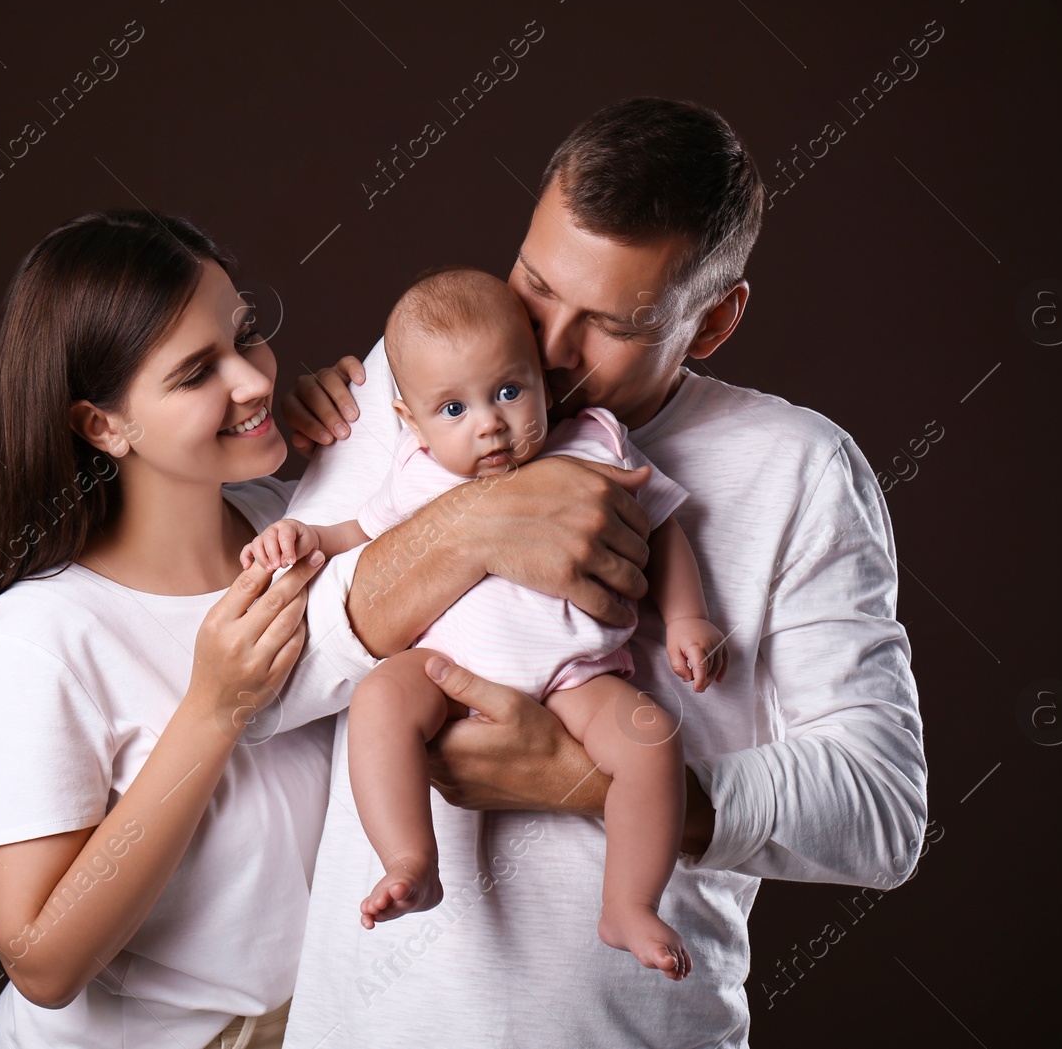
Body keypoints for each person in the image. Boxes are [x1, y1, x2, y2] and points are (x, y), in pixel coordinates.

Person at [276, 97, 928, 1046]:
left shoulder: (800, 469)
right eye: (535, 283)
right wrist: (471, 528)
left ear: (711, 324)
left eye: (611, 324)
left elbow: (882, 813)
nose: (541, 347)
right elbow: (248, 689)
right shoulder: (417, 379)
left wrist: (583, 780)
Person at [243, 267, 727, 978]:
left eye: (508, 391)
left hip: (575, 675)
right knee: (382, 698)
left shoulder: (594, 440)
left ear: (542, 377)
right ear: (410, 421)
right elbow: (359, 535)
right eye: (453, 410)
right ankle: (410, 857)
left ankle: (628, 902)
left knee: (652, 740)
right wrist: (304, 540)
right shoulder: (416, 473)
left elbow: (660, 528)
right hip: (446, 667)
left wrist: (688, 619)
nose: (489, 423)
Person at [0, 210, 356, 1049]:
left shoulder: (304, 518)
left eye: (245, 335)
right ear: (103, 425)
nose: (252, 381)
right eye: (194, 374)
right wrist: (213, 712)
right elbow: (40, 961)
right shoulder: (43, 631)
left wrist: (375, 431)